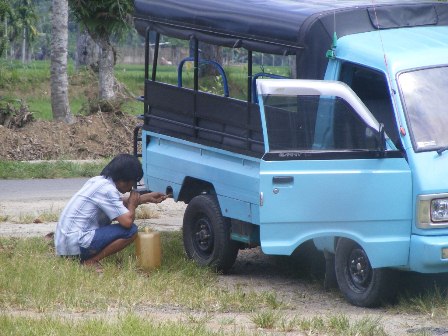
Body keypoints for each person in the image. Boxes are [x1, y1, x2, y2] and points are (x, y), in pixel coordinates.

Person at [54, 154, 167, 270]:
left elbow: (115, 204)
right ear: (124, 180)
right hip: (75, 245)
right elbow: (127, 222)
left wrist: (145, 198)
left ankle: (84, 258)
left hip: (65, 244)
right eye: (133, 182)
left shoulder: (97, 181)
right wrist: (132, 204)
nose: (132, 187)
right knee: (131, 231)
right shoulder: (108, 190)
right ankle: (91, 261)